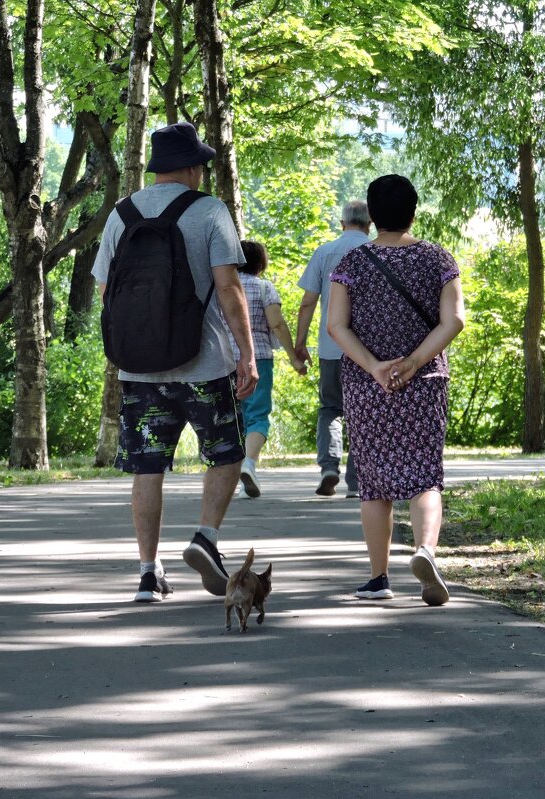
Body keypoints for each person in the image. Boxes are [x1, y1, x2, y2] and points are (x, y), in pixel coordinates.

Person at [92, 121, 257, 603]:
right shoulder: (209, 211)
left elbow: (106, 290)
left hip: (139, 369)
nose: (203, 174)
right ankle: (205, 536)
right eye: (201, 166)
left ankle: (148, 572)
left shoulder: (121, 214)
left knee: (149, 467)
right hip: (204, 363)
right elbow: (228, 287)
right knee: (226, 453)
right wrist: (247, 354)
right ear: (188, 168)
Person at [327, 175, 465, 606]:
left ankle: (379, 577)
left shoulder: (351, 263)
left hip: (369, 387)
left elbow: (336, 325)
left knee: (374, 483)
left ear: (372, 215)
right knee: (426, 475)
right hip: (424, 382)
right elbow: (453, 321)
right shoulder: (438, 258)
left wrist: (374, 366)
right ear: (414, 211)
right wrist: (413, 362)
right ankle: (425, 551)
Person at [294, 201, 371, 498]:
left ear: (342, 223)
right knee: (363, 413)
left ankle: (329, 467)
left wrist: (300, 344)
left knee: (330, 409)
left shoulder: (325, 252)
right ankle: (356, 482)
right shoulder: (376, 251)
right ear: (369, 223)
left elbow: (307, 302)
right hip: (367, 352)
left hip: (330, 347)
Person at [228, 240, 308, 498]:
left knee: (230, 418)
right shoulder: (264, 288)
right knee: (258, 415)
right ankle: (249, 464)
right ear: (261, 263)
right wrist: (294, 358)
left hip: (224, 360)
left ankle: (229, 478)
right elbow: (276, 323)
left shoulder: (222, 288)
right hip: (258, 358)